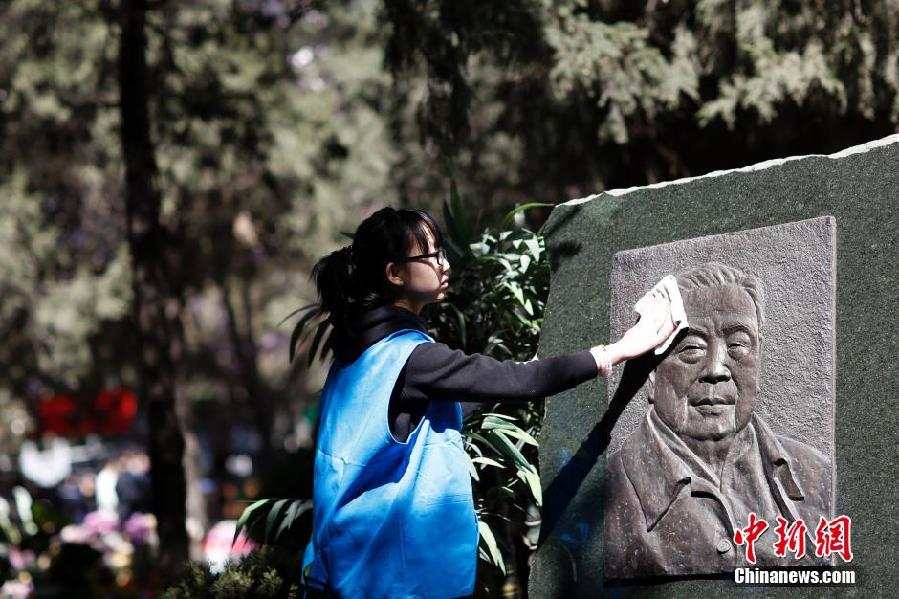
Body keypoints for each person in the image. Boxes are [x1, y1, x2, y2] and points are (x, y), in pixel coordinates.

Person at [305, 207, 675, 598]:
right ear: (395, 273)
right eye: (430, 255)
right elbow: (521, 382)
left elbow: (415, 425)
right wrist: (618, 350)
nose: (443, 264)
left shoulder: (355, 359)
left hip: (346, 567)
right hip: (398, 578)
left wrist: (510, 380)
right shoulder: (412, 356)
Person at [604, 262, 831, 579]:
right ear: (652, 372)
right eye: (692, 348)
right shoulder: (607, 493)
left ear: (758, 357)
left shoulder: (817, 476)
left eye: (738, 345)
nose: (716, 369)